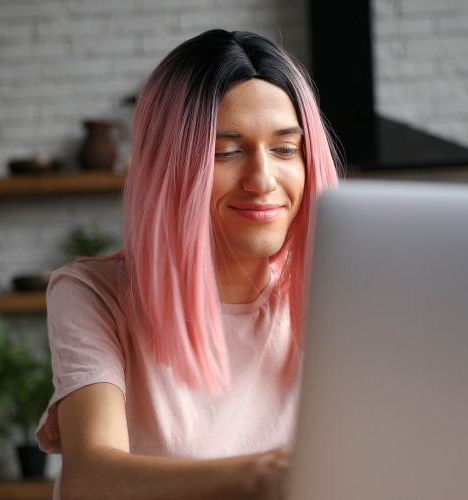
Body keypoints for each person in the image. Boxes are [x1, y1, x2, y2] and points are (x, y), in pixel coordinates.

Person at [35, 29, 340, 500]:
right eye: (227, 151)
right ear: (170, 165)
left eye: (284, 149)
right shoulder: (93, 293)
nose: (262, 180)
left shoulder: (338, 296)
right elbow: (89, 480)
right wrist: (266, 474)